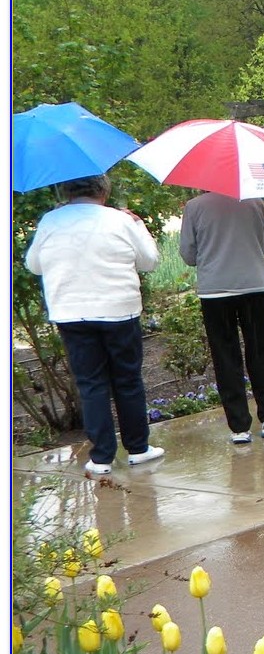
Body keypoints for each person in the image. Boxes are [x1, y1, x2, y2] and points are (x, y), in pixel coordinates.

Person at [24, 173, 165, 474]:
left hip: (72, 312)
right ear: (103, 190)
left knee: (91, 384)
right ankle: (138, 448)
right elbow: (149, 261)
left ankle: (101, 457)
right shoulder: (120, 220)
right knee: (127, 380)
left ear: (66, 189)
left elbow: (33, 264)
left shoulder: (51, 221)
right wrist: (138, 225)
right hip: (118, 310)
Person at [178, 191, 264, 443]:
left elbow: (188, 255)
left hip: (215, 291)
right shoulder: (255, 202)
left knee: (225, 356)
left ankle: (239, 427)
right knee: (261, 351)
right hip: (255, 285)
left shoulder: (194, 207)